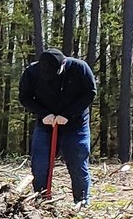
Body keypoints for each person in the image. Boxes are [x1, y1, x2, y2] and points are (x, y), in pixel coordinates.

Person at [19, 48, 94, 204]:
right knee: (40, 164)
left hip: (75, 125)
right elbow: (25, 97)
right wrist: (43, 114)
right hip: (46, 123)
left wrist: (68, 114)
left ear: (63, 64)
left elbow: (89, 93)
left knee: (77, 163)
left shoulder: (80, 68)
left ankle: (81, 201)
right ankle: (41, 200)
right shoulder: (31, 72)